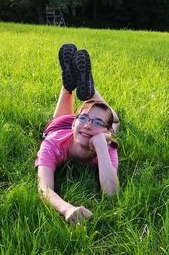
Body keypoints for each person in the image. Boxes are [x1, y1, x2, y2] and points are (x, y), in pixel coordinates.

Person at [35, 44, 120, 225]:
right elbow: (43, 188)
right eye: (84, 119)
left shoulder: (106, 145)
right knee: (115, 120)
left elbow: (111, 192)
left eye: (97, 123)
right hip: (59, 127)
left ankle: (73, 86)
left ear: (106, 133)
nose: (89, 126)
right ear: (76, 120)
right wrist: (67, 209)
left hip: (80, 127)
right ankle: (78, 89)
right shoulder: (52, 144)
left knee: (114, 122)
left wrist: (100, 145)